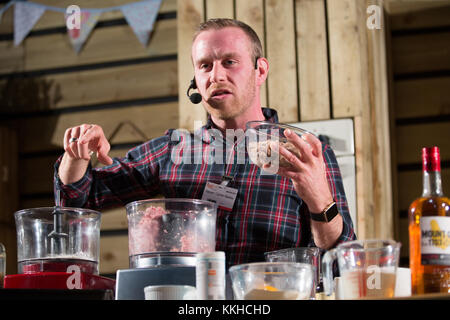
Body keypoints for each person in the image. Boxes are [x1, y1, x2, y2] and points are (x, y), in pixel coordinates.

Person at [54, 18, 356, 268]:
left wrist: (320, 203)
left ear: (260, 70)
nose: (216, 75)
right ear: (196, 81)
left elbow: (340, 262)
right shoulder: (171, 150)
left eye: (229, 62)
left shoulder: (305, 153)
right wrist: (77, 152)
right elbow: (78, 201)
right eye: (205, 66)